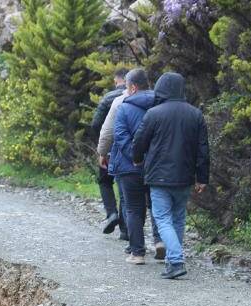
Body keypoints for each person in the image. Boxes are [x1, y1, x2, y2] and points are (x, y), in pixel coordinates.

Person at [133, 72, 210, 280]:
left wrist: (137, 158)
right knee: (177, 218)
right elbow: (203, 149)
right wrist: (202, 177)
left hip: (159, 176)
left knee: (162, 219)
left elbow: (139, 142)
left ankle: (175, 261)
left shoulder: (153, 113)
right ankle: (171, 262)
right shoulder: (195, 114)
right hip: (185, 176)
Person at [108, 68, 156, 265]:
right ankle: (161, 242)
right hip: (156, 166)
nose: (125, 92)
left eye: (126, 88)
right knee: (157, 206)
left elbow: (120, 136)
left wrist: (135, 157)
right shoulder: (160, 104)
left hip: (130, 168)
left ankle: (137, 252)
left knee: (134, 209)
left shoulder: (124, 108)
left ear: (133, 87)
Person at [90, 68, 128, 236]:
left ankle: (112, 213)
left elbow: (95, 124)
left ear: (115, 80)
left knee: (105, 182)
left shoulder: (108, 98)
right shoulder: (135, 97)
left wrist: (101, 149)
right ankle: (126, 230)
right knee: (125, 188)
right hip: (128, 150)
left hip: (109, 149)